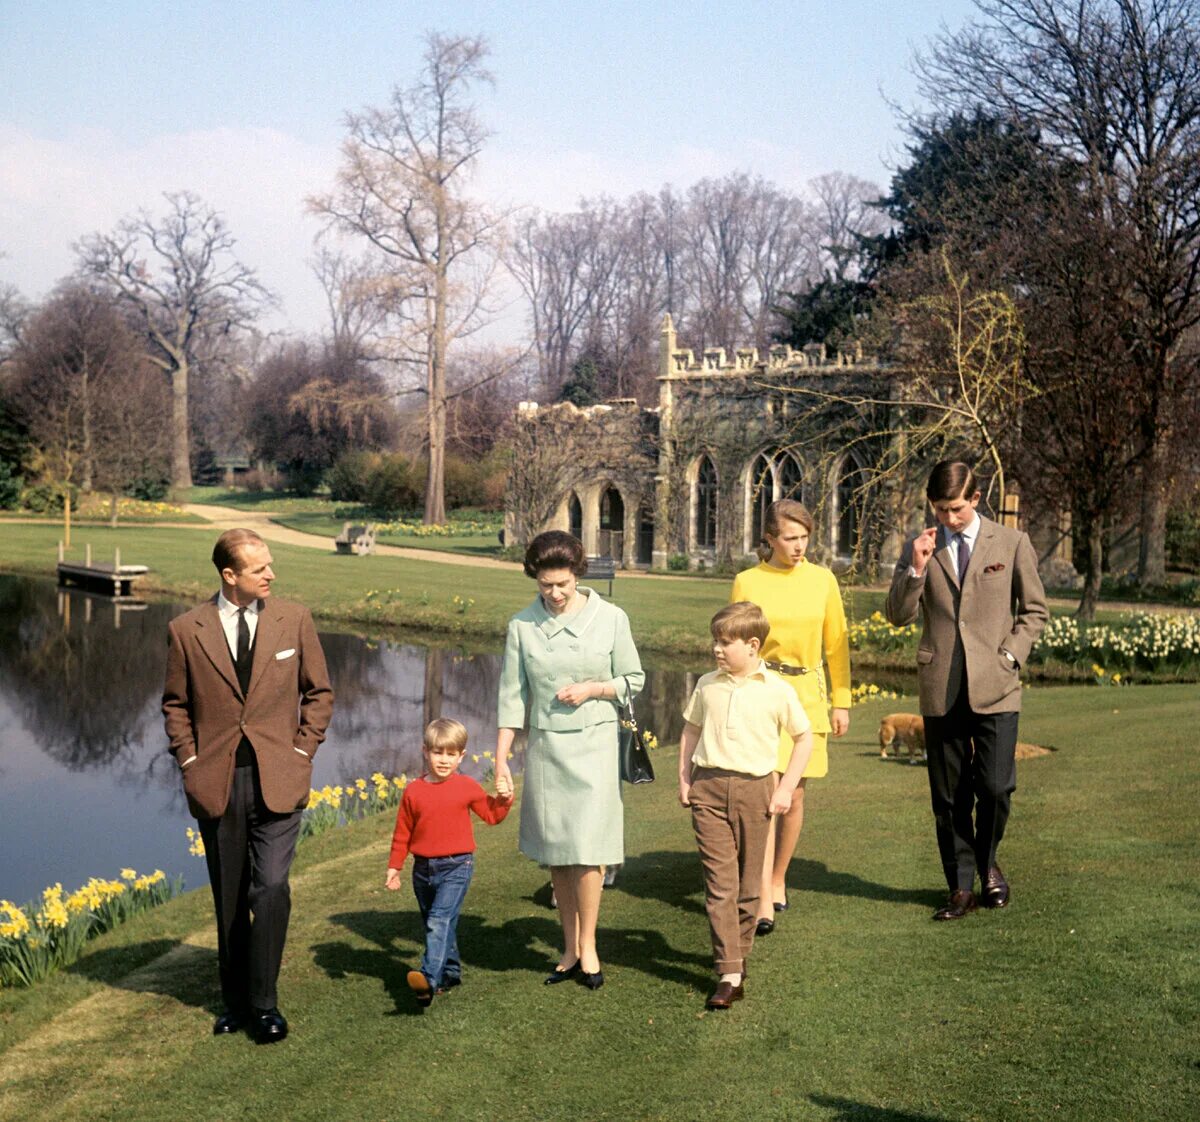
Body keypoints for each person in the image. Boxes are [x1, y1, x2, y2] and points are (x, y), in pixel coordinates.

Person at [162, 528, 333, 1042]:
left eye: (270, 565)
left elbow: (319, 693)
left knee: (272, 886)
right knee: (231, 897)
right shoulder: (185, 629)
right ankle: (234, 1002)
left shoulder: (294, 619)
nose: (271, 575)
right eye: (260, 569)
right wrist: (189, 762)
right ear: (229, 575)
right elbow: (175, 706)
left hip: (280, 776)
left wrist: (303, 751)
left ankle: (265, 1004)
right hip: (217, 781)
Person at [885, 461, 1048, 920]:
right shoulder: (922, 546)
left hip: (997, 686)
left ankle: (987, 861)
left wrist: (1011, 656)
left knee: (995, 787)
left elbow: (1034, 611)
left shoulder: (1011, 543)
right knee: (950, 796)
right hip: (941, 685)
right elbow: (897, 614)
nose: (948, 519)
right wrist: (915, 569)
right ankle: (960, 887)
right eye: (940, 509)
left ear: (975, 500)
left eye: (955, 509)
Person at [494, 530, 643, 991]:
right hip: (546, 751)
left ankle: (591, 946)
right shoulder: (521, 627)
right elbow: (511, 700)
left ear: (577, 573)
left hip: (595, 747)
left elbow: (633, 679)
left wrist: (593, 689)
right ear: (534, 580)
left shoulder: (611, 617)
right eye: (546, 586)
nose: (555, 594)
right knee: (558, 855)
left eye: (563, 584)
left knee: (588, 851)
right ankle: (569, 947)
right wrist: (500, 761)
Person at [679, 601, 812, 1010]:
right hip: (709, 789)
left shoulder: (777, 690)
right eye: (715, 642)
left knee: (750, 886)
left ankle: (737, 954)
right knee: (721, 885)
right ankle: (729, 971)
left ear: (753, 645)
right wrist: (684, 778)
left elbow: (804, 739)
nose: (717, 650)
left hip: (757, 791)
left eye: (726, 643)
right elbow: (690, 730)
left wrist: (786, 789)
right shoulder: (707, 684)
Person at [730, 499, 850, 934]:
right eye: (790, 538)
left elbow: (836, 644)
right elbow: (736, 642)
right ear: (769, 539)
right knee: (765, 796)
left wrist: (842, 700)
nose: (799, 546)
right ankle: (761, 893)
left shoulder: (823, 580)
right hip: (762, 692)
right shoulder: (747, 581)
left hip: (808, 695)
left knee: (794, 795)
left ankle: (778, 877)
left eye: (804, 538)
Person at [386, 718, 513, 1007]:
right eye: (438, 753)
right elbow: (402, 833)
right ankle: (451, 972)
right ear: (425, 751)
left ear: (461, 756)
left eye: (451, 754)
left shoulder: (467, 787)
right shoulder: (413, 792)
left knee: (438, 920)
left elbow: (492, 815)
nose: (444, 760)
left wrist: (504, 799)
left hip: (457, 867)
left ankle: (428, 979)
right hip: (422, 870)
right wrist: (395, 867)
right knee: (441, 922)